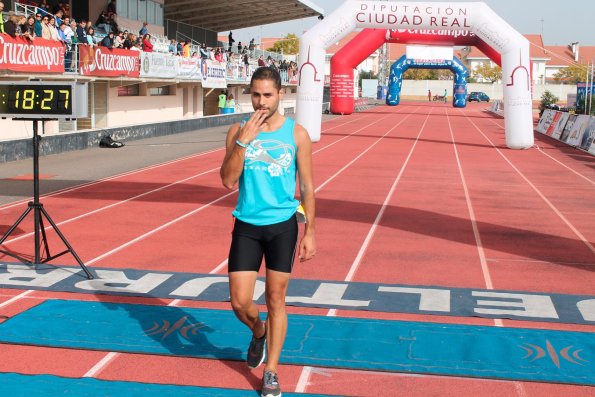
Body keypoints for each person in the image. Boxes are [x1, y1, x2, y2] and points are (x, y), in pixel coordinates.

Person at [220, 67, 316, 397]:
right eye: (256, 95)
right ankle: (258, 330)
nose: (261, 102)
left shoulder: (297, 134)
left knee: (276, 298)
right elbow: (228, 180)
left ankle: (271, 371)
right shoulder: (237, 130)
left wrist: (311, 231)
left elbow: (306, 185)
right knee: (239, 302)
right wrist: (244, 141)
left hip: (281, 227)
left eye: (268, 95)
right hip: (247, 225)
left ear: (281, 95)